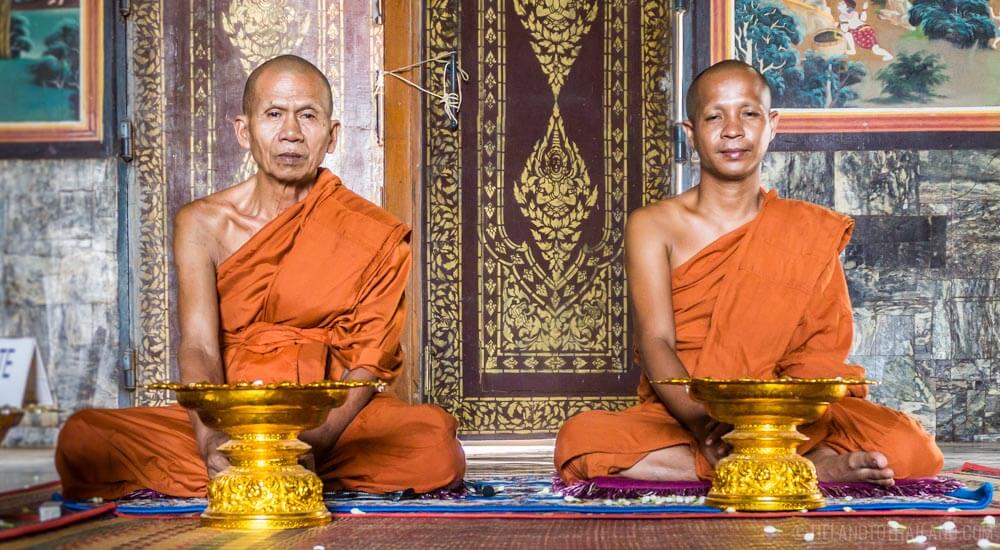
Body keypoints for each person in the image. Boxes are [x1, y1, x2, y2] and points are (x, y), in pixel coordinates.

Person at [56, 55, 465, 500]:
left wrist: (314, 443)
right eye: (274, 114)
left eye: (307, 116)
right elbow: (198, 345)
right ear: (243, 130)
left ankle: (258, 477)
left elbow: (366, 363)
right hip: (231, 410)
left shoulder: (372, 232)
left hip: (328, 416)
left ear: (331, 136)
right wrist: (209, 439)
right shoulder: (202, 223)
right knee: (85, 441)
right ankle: (259, 473)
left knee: (434, 446)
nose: (291, 132)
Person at [554, 60, 942, 486]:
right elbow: (656, 341)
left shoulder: (805, 229)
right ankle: (801, 472)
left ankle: (751, 468)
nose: (732, 129)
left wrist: (771, 421)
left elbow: (819, 351)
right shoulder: (653, 225)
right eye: (714, 116)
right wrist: (704, 425)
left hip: (787, 414)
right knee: (580, 441)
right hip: (691, 408)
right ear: (690, 133)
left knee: (911, 445)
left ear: (772, 125)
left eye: (749, 113)